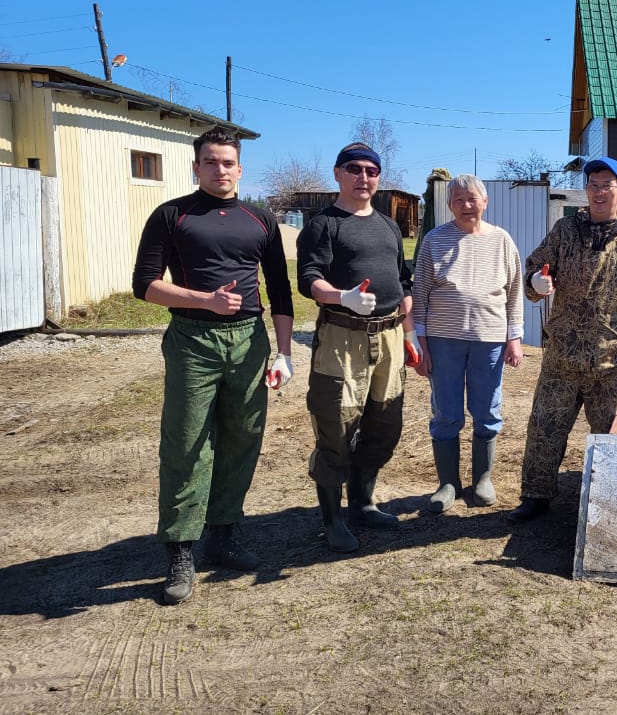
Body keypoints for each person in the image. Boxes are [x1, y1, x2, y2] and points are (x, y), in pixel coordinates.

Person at [132, 128, 295, 605]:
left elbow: (281, 292)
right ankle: (181, 549)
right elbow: (144, 284)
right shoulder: (171, 215)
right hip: (192, 340)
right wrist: (205, 299)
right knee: (185, 443)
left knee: (243, 437)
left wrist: (284, 353)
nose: (220, 169)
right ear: (196, 166)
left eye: (228, 162)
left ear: (240, 168)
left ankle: (224, 534)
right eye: (210, 161)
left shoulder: (260, 219)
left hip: (249, 341)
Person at [510, 156, 617, 522]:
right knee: (545, 427)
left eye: (607, 185)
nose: (599, 192)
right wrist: (536, 284)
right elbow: (536, 268)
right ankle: (535, 494)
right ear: (586, 190)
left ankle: (610, 498)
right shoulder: (565, 230)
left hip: (610, 361)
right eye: (593, 185)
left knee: (610, 434)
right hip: (562, 356)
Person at [296, 142, 418, 552]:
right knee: (336, 425)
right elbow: (308, 278)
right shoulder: (323, 224)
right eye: (354, 169)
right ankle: (332, 519)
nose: (363, 177)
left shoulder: (388, 225)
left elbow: (402, 280)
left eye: (371, 170)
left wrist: (409, 329)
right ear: (337, 174)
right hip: (342, 336)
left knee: (385, 424)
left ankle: (362, 503)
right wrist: (339, 296)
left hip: (389, 336)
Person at [411, 174, 523, 512]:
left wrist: (514, 337)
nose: (466, 205)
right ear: (449, 205)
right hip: (444, 340)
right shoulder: (434, 240)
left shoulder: (502, 241)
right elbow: (420, 293)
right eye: (458, 199)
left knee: (487, 410)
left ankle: (482, 479)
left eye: (472, 198)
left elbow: (515, 291)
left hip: (489, 339)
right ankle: (448, 483)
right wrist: (421, 342)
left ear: (485, 202)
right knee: (446, 412)